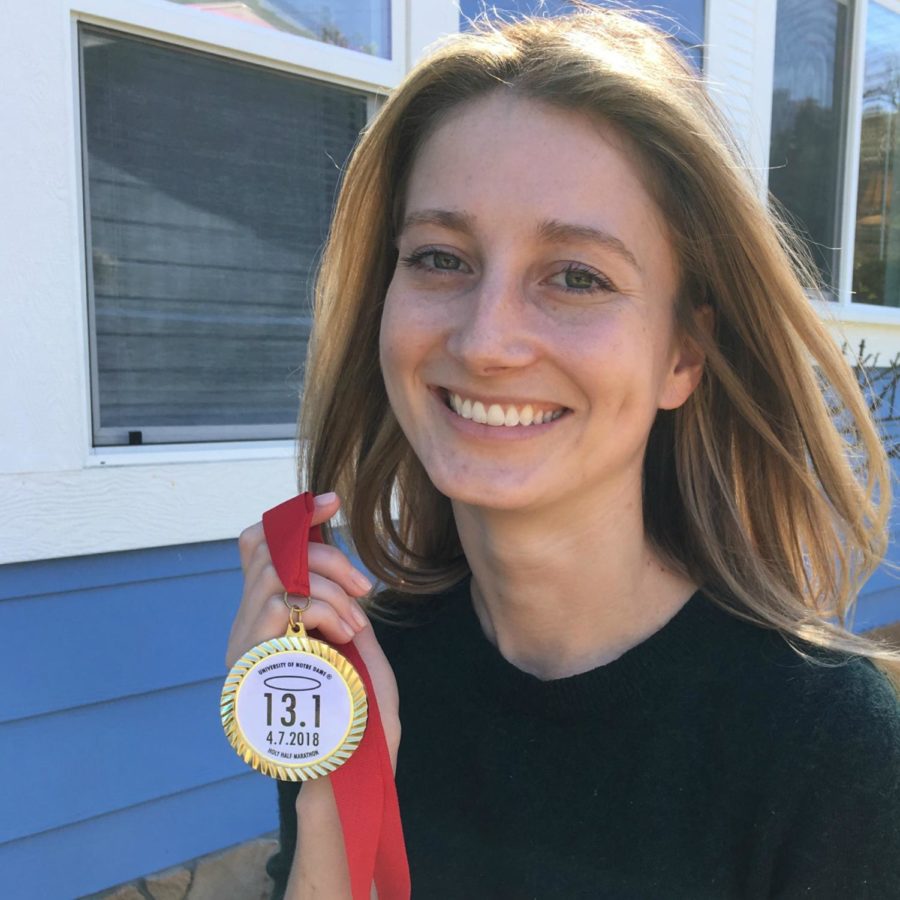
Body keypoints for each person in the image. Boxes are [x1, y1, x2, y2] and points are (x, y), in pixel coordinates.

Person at [225, 6, 900, 898]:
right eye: (440, 258)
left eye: (577, 276)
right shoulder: (351, 678)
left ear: (682, 355)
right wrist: (335, 805)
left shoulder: (826, 752)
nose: (487, 338)